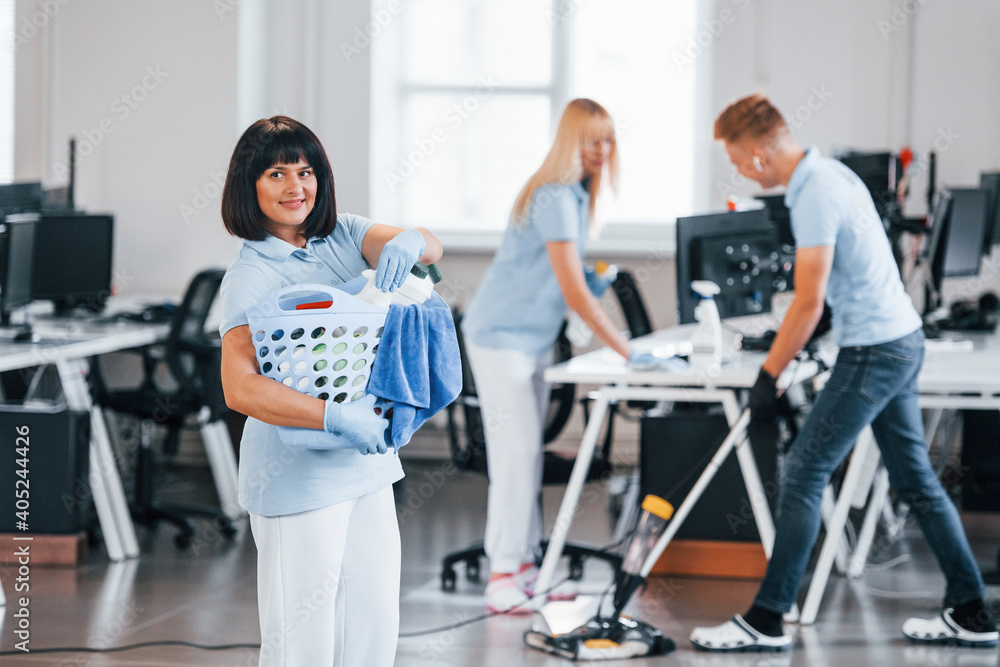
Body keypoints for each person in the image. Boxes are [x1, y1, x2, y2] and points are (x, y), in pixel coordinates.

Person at [689, 94, 997, 651]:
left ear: (758, 152)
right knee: (916, 482)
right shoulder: (833, 175)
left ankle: (766, 619)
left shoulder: (814, 192)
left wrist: (768, 374)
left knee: (805, 472)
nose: (736, 169)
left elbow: (807, 302)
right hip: (899, 339)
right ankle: (972, 611)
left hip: (875, 351)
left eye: (735, 157)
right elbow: (839, 282)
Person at [218, 115, 443, 666]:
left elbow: (429, 248)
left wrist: (413, 238)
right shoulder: (251, 277)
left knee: (373, 622)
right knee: (304, 640)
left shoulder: (343, 235)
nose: (296, 186)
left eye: (306, 170)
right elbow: (239, 387)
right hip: (296, 474)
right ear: (250, 186)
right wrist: (330, 417)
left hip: (367, 461)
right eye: (276, 173)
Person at [461, 98, 648, 613]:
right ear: (571, 141)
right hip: (501, 339)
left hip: (532, 339)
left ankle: (525, 567)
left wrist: (596, 279)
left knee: (526, 455)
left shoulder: (573, 197)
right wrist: (626, 350)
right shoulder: (555, 196)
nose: (602, 150)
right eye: (592, 140)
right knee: (516, 457)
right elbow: (574, 294)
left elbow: (564, 277)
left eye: (608, 139)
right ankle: (503, 574)